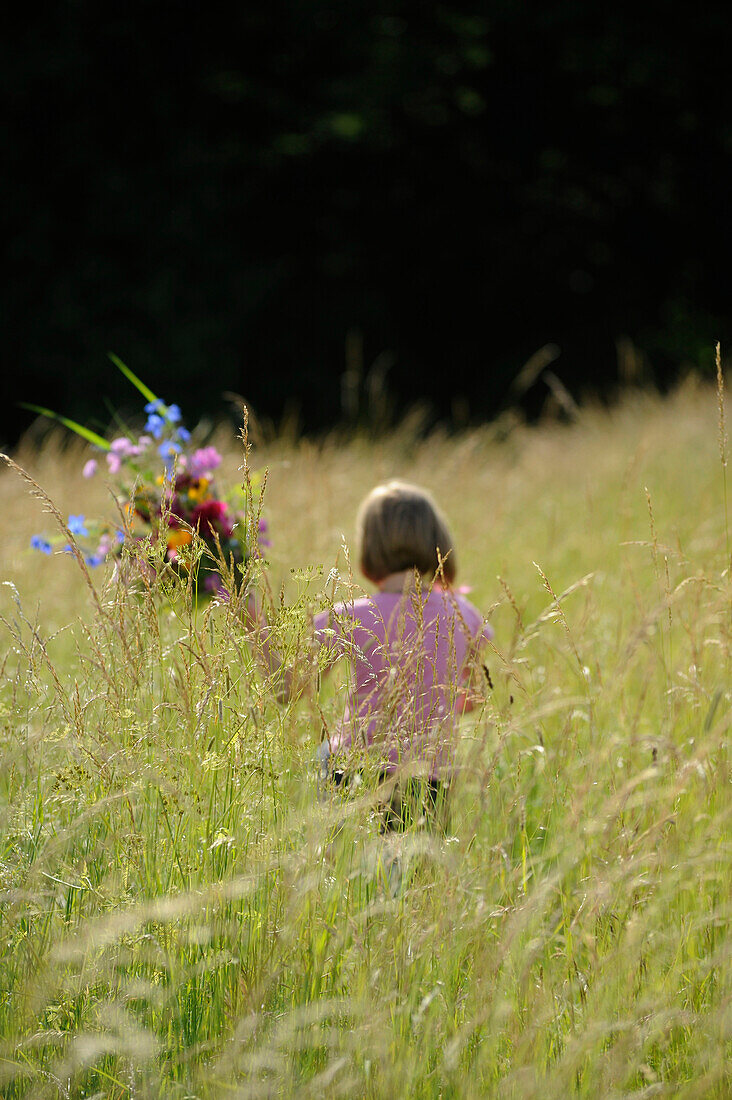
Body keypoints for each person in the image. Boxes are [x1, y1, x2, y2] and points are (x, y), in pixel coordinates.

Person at [250, 480, 492, 829]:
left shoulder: (349, 616)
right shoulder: (465, 616)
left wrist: (251, 617)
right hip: (432, 779)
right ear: (438, 540)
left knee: (350, 875)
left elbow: (287, 690)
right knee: (415, 878)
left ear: (370, 547)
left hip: (353, 772)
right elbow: (472, 698)